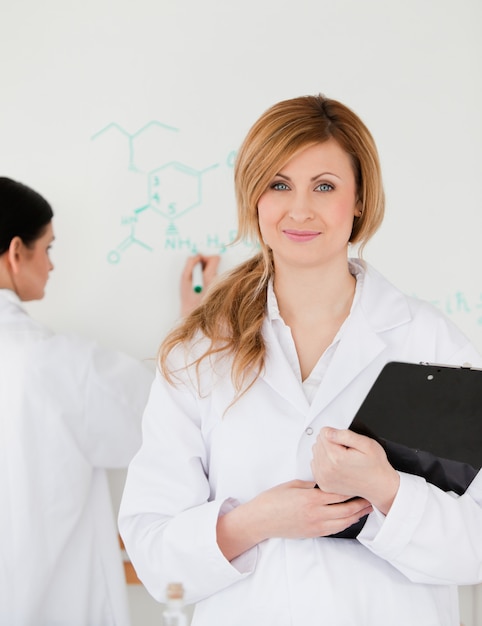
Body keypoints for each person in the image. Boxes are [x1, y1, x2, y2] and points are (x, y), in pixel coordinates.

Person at [118, 95, 482, 626]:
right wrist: (254, 521)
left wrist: (387, 491)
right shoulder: (198, 352)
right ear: (254, 199)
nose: (301, 209)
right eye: (279, 184)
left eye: (325, 186)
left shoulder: (430, 344)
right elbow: (154, 554)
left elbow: (473, 547)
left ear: (359, 200)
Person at [0, 176, 218, 626]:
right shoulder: (52, 364)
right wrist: (194, 321)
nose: (52, 265)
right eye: (48, 249)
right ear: (16, 251)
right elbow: (159, 416)